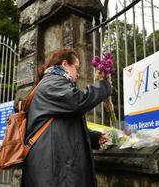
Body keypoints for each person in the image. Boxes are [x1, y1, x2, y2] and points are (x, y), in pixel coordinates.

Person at [22, 47, 112, 187]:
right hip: (52, 172)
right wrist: (104, 86)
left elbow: (63, 125)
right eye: (76, 67)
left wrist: (94, 137)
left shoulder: (53, 84)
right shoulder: (52, 83)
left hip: (53, 168)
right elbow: (77, 102)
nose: (78, 74)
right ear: (65, 64)